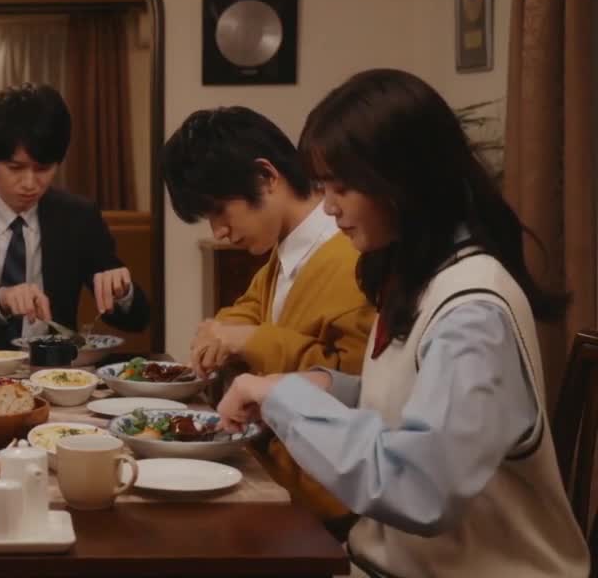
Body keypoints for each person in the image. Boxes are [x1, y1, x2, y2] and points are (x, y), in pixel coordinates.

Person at [216, 68, 588, 577]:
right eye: (325, 186)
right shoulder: (416, 275)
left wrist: (285, 401)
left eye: (343, 187)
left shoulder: (473, 310)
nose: (329, 207)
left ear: (403, 181)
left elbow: (420, 487)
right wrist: (325, 387)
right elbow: (417, 400)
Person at [160, 106, 373, 527]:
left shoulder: (350, 259)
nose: (219, 231)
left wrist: (249, 341)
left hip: (324, 503)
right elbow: (250, 307)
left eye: (220, 210)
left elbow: (355, 385)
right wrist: (224, 330)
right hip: (283, 475)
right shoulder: (290, 248)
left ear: (266, 177)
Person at [0, 82, 150, 350]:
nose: (30, 183)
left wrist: (123, 293)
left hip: (52, 370)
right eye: (15, 168)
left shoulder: (78, 217)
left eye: (43, 168)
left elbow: (138, 320)